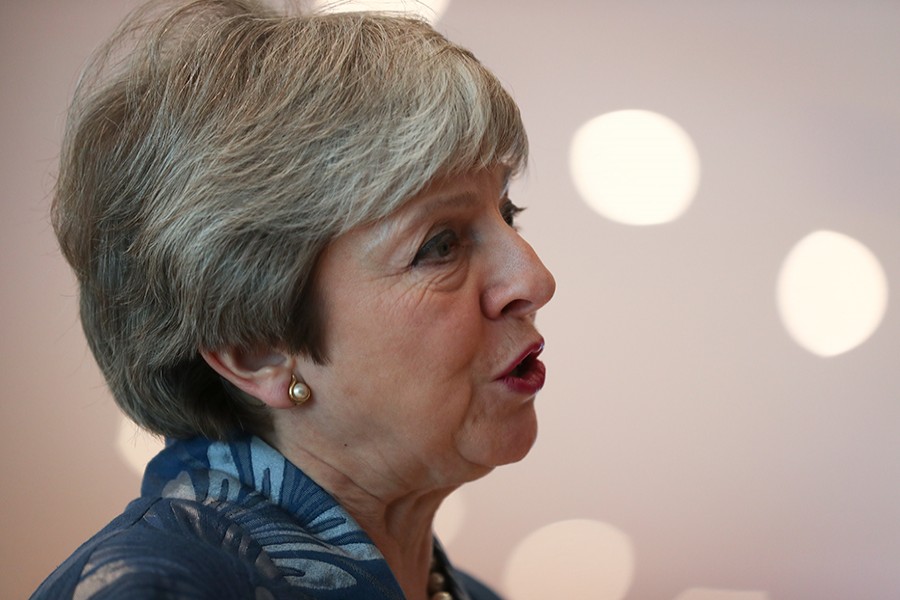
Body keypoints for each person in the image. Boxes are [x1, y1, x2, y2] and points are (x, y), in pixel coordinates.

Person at [32, 1, 555, 598]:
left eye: (507, 213)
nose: (535, 280)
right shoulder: (155, 589)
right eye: (439, 245)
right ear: (255, 349)